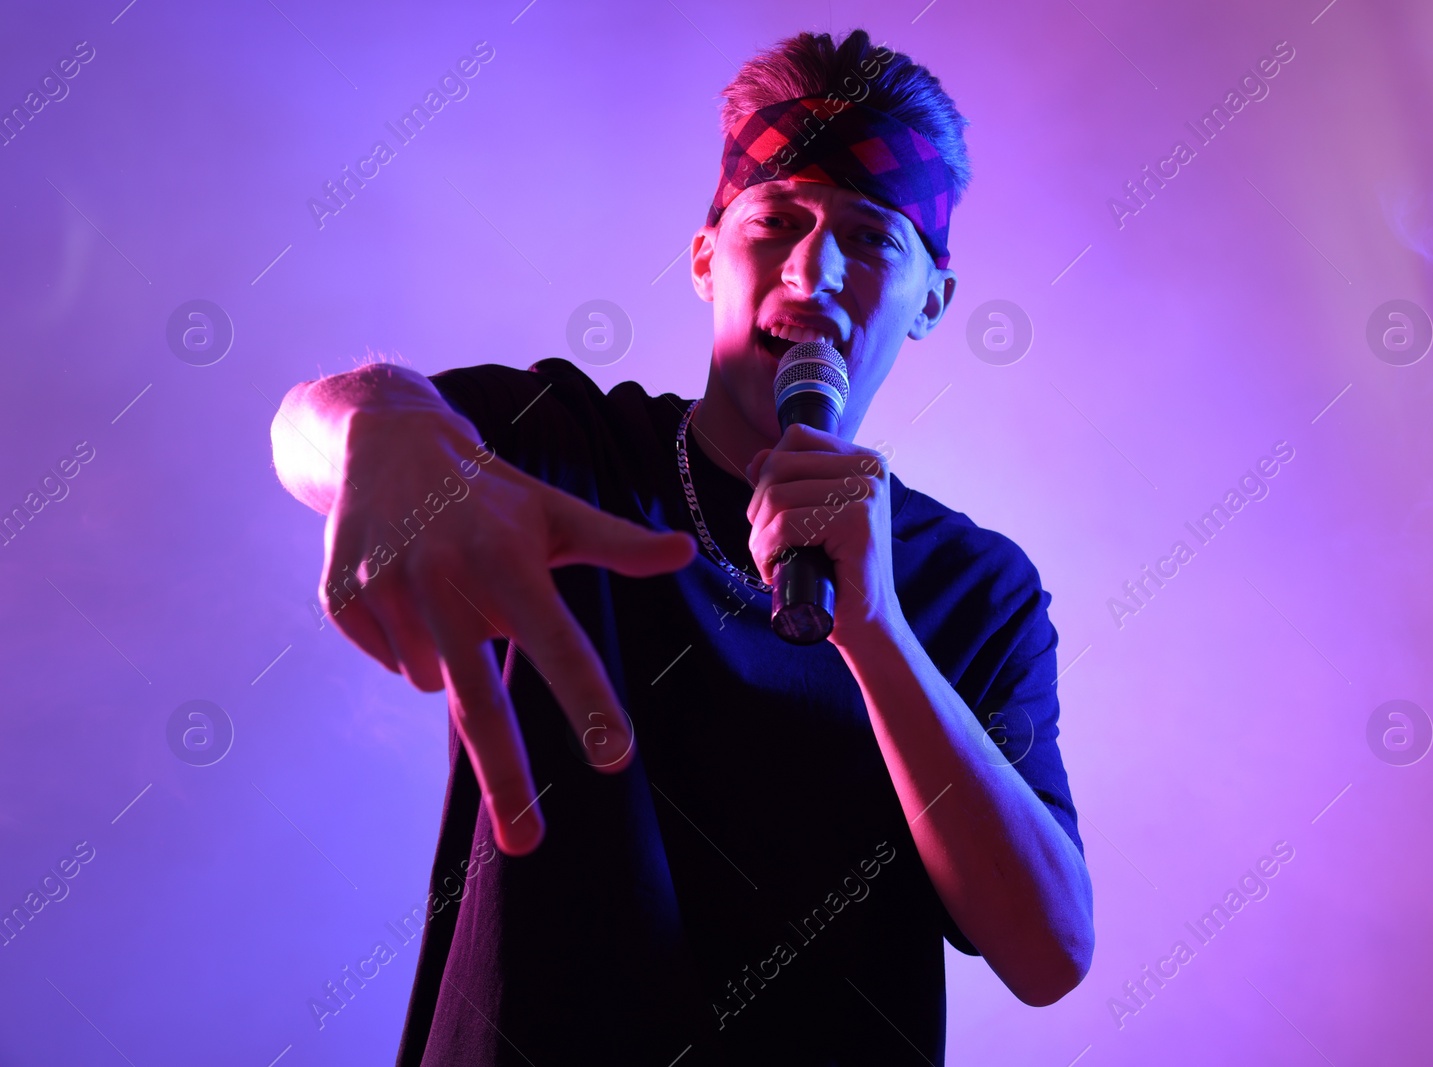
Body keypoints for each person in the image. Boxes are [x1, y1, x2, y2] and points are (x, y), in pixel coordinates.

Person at [270, 28, 1093, 1067]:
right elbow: (317, 427)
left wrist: (878, 631)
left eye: (873, 238)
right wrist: (377, 427)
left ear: (930, 297)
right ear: (706, 258)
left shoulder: (975, 587)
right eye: (775, 220)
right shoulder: (567, 447)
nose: (812, 272)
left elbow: (1049, 951)